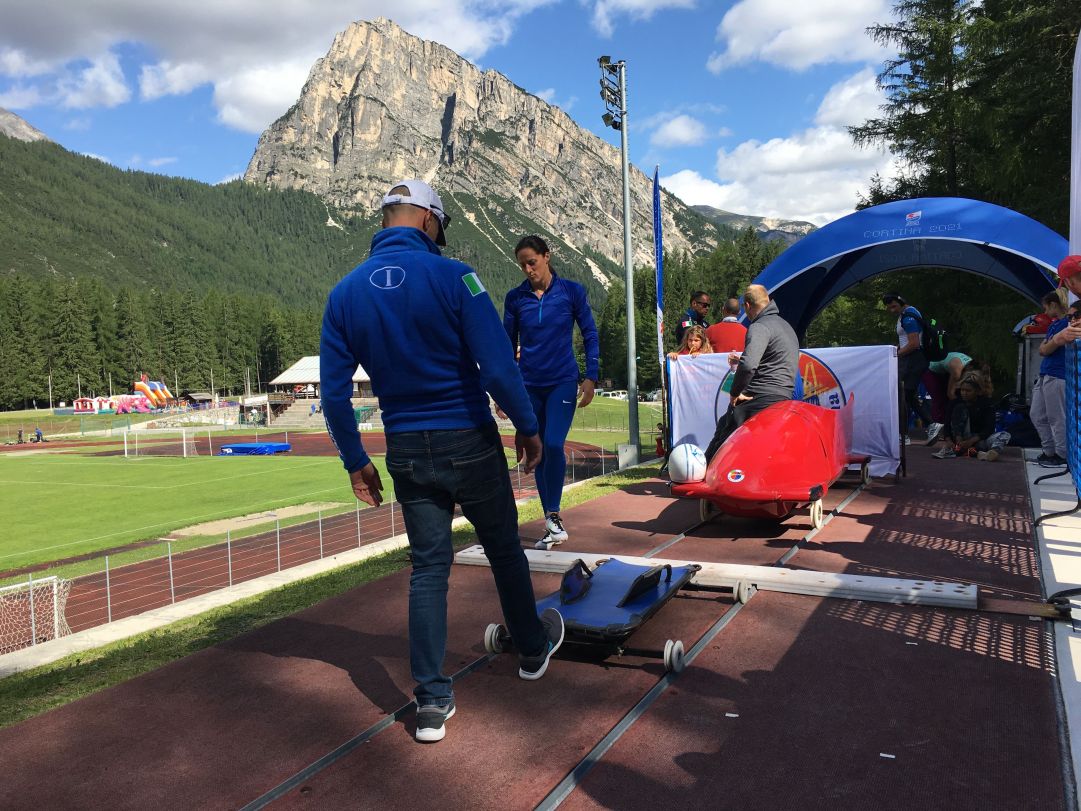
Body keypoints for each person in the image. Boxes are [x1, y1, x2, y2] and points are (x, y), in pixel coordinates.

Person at [320, 180, 564, 744]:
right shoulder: (458, 277)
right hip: (468, 439)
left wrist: (355, 462)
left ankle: (431, 702)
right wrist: (528, 428)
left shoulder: (344, 294)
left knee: (428, 570)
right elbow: (499, 366)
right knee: (504, 550)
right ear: (429, 222)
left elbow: (334, 396)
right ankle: (531, 650)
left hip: (405, 448)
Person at [502, 235, 600, 549]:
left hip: (562, 381)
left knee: (555, 444)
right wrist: (506, 391)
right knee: (538, 450)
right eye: (522, 264)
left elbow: (590, 334)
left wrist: (591, 377)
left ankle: (554, 514)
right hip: (528, 385)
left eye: (532, 261)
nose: (528, 269)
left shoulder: (572, 291)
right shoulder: (515, 298)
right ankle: (551, 520)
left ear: (547, 256)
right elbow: (506, 346)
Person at [704, 284, 799, 460]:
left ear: (747, 306)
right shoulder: (786, 327)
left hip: (760, 396)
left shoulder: (759, 326)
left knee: (724, 429)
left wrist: (734, 392)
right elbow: (774, 360)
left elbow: (748, 366)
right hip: (784, 395)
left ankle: (703, 476)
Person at [1029, 298, 1081, 466]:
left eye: (1075, 316)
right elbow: (1043, 349)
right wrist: (1049, 345)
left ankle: (1061, 454)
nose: (1071, 320)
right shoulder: (1057, 324)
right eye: (1070, 316)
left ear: (1053, 304)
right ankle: (1050, 450)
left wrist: (1049, 344)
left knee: (1057, 417)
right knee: (1037, 414)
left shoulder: (1064, 326)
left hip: (1058, 374)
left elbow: (1045, 348)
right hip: (1047, 373)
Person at [881, 293, 935, 440]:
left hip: (913, 359)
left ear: (901, 302)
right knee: (909, 395)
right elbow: (907, 340)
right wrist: (898, 348)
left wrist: (896, 354)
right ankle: (931, 425)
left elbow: (914, 343)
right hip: (914, 358)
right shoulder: (908, 313)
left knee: (901, 395)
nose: (892, 310)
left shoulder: (908, 317)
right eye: (889, 308)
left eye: (894, 306)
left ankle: (903, 435)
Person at [931, 373, 1011, 460]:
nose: (964, 393)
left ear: (978, 391)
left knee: (1005, 435)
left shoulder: (987, 404)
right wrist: (949, 440)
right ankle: (959, 450)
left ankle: (990, 453)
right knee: (960, 408)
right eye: (962, 390)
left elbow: (989, 428)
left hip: (979, 440)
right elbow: (947, 424)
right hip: (960, 440)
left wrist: (971, 441)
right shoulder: (955, 403)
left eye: (968, 391)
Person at [920, 349, 971, 443]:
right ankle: (936, 428)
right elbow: (950, 394)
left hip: (945, 370)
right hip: (931, 371)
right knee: (939, 399)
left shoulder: (970, 366)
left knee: (953, 401)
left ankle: (949, 429)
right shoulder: (957, 371)